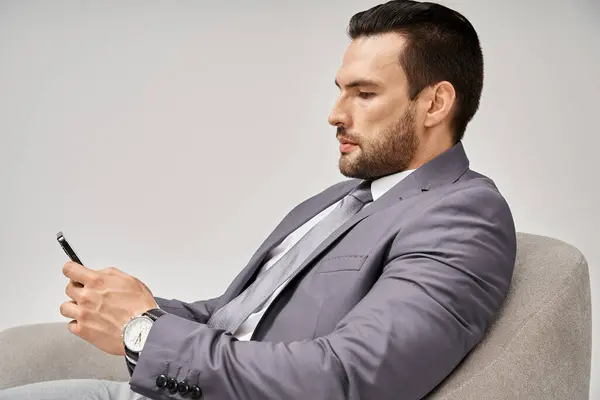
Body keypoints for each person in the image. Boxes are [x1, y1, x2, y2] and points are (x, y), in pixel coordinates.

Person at [0, 1, 517, 399]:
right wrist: (136, 306)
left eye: (363, 94)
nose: (335, 113)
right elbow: (234, 317)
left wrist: (143, 333)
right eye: (340, 90)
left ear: (435, 103)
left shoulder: (463, 214)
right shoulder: (340, 200)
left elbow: (346, 380)